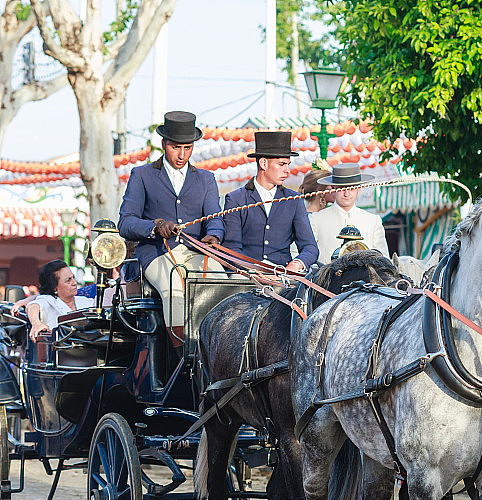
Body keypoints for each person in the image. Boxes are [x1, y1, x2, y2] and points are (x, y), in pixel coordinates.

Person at [118, 111, 226, 343]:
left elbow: (214, 218)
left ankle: (217, 346)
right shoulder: (142, 175)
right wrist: (155, 226)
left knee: (220, 282)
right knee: (173, 288)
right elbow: (125, 222)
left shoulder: (206, 179)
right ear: (164, 144)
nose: (182, 154)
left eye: (188, 148)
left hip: (196, 252)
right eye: (176, 148)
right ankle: (183, 351)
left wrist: (214, 236)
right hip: (156, 253)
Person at [221, 131, 318, 272]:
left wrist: (297, 264)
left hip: (283, 275)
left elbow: (309, 246)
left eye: (288, 164)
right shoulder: (236, 199)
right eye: (282, 164)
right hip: (245, 274)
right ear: (263, 163)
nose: (287, 170)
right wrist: (253, 270)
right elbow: (231, 247)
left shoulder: (294, 200)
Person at [309, 163, 389, 263]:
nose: (346, 194)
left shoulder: (373, 221)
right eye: (341, 189)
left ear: (359, 188)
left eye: (351, 188)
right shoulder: (316, 219)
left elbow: (383, 259)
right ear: (333, 188)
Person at [26, 260, 95, 339]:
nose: (74, 283)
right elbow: (32, 306)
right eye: (68, 280)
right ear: (54, 287)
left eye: (73, 278)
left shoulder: (86, 301)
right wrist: (36, 324)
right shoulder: (49, 301)